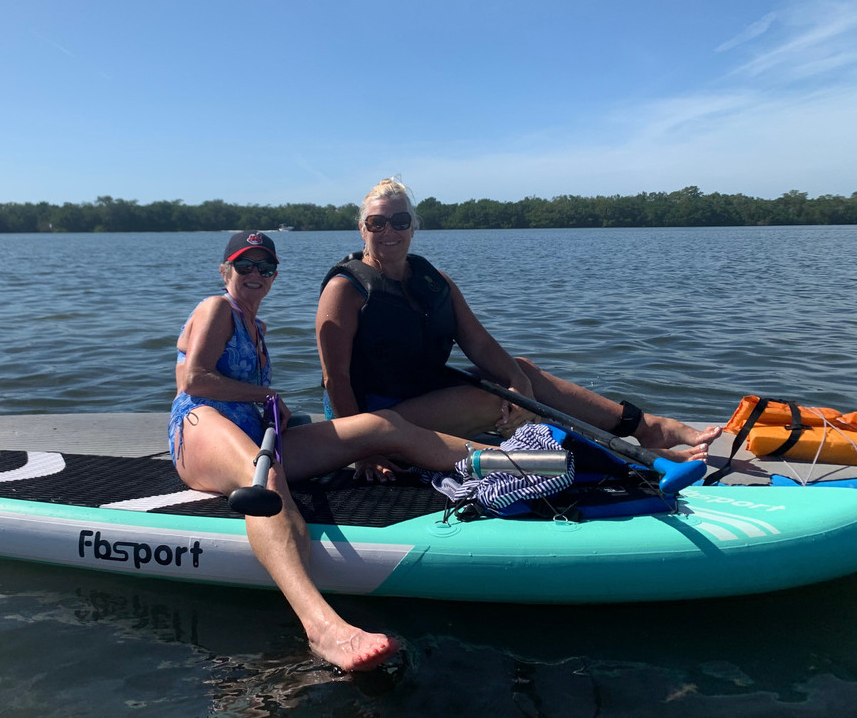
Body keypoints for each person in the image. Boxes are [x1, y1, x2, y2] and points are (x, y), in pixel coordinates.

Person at [169, 230, 509, 672]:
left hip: (253, 434)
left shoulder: (258, 326)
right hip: (198, 429)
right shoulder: (216, 308)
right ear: (224, 270)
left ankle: (513, 461)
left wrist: (269, 408)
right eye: (244, 265)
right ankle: (323, 628)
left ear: (274, 276)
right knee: (265, 476)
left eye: (265, 267)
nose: (255, 274)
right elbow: (192, 380)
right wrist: (267, 394)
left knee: (378, 425)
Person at [315, 178, 721, 482]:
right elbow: (336, 379)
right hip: (372, 418)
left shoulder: (433, 280)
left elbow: (478, 342)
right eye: (377, 222)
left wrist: (518, 384)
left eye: (399, 220)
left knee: (520, 370)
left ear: (414, 226)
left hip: (420, 396)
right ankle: (610, 460)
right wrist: (362, 449)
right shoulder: (344, 290)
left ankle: (648, 428)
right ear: (362, 229)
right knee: (492, 402)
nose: (389, 231)